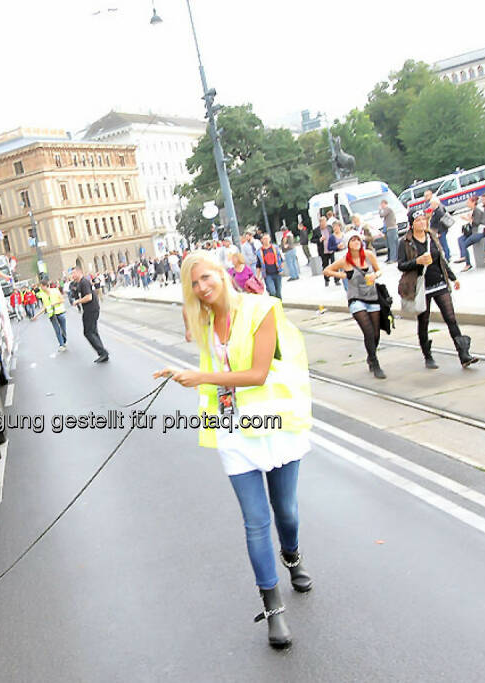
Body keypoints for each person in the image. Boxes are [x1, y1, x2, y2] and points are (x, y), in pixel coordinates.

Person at [155, 250, 313, 650]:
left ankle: (292, 555)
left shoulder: (262, 309)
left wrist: (200, 377)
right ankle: (273, 608)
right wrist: (183, 374)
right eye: (193, 283)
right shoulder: (204, 320)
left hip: (275, 423)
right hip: (233, 430)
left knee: (286, 511)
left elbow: (258, 374)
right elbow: (213, 364)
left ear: (223, 274)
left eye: (206, 277)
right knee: (256, 520)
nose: (201, 287)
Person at [398, 213, 477, 368]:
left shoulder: (431, 236)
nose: (422, 223)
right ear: (412, 224)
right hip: (421, 286)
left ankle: (463, 354)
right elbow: (401, 265)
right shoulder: (405, 242)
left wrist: (453, 278)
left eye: (423, 219)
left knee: (450, 318)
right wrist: (417, 261)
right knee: (424, 321)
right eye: (418, 220)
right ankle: (427, 355)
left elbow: (441, 259)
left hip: (439, 282)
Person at [324, 231, 387, 378]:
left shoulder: (368, 255)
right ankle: (375, 363)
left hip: (372, 297)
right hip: (356, 298)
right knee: (368, 332)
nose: (356, 242)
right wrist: (343, 275)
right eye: (352, 240)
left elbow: (379, 270)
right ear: (348, 243)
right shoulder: (344, 261)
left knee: (376, 334)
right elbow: (326, 271)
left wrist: (375, 275)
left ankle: (370, 356)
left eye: (358, 239)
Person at [69, 266, 110, 362]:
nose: (72, 275)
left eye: (73, 273)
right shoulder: (80, 283)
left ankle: (103, 352)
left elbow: (89, 297)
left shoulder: (84, 282)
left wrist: (77, 301)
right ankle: (103, 353)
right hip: (90, 309)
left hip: (91, 309)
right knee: (93, 331)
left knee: (88, 332)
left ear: (79, 272)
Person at [454, 196, 485, 271]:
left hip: (480, 231)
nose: (467, 204)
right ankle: (463, 256)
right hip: (474, 231)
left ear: (473, 202)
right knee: (460, 239)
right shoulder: (474, 210)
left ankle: (467, 263)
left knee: (465, 244)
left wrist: (468, 219)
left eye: (468, 202)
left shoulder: (477, 210)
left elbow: (476, 223)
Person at [36, 280, 68, 351]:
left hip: (60, 313)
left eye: (41, 287)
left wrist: (55, 303)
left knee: (63, 330)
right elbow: (44, 307)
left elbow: (62, 300)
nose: (40, 288)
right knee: (57, 330)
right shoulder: (43, 295)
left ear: (45, 286)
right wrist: (36, 316)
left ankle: (64, 341)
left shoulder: (55, 291)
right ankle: (61, 345)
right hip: (52, 315)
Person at [428, 195, 453, 261]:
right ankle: (447, 256)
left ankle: (447, 257)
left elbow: (440, 223)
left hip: (441, 230)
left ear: (435, 203)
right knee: (442, 243)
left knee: (443, 243)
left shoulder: (439, 211)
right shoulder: (437, 210)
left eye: (431, 204)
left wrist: (439, 232)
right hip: (439, 230)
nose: (431, 205)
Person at [380, 199, 399, 263]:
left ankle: (393, 258)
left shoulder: (388, 209)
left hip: (392, 228)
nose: (381, 206)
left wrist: (380, 210)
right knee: (388, 244)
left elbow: (382, 215)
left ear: (385, 204)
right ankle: (390, 257)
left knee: (392, 244)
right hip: (388, 228)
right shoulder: (387, 210)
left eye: (382, 204)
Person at [315, 215, 332, 286]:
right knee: (325, 266)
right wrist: (319, 240)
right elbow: (312, 240)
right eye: (322, 222)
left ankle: (337, 279)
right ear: (320, 223)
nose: (324, 224)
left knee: (335, 264)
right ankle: (326, 280)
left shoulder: (330, 227)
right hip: (323, 251)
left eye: (325, 222)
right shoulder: (316, 230)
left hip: (331, 249)